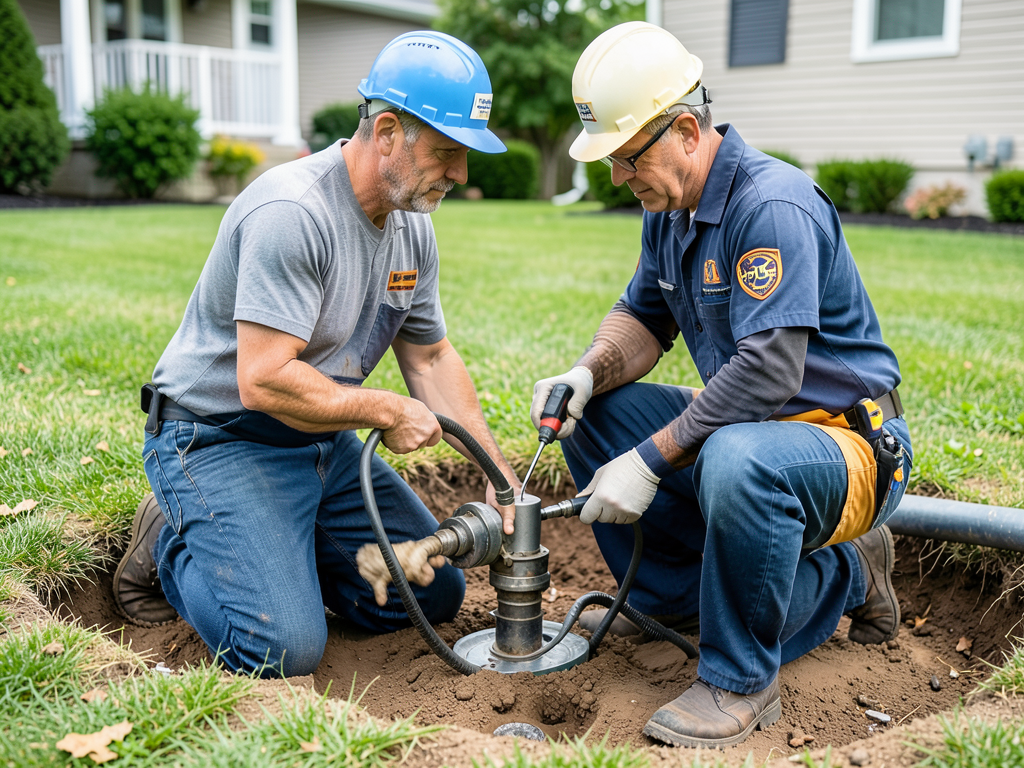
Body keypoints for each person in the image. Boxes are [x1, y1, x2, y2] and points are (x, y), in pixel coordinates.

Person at [531, 22, 912, 749]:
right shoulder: (670, 211)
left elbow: (769, 370)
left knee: (738, 459)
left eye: (626, 157)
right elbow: (641, 319)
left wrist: (651, 461)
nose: (618, 178)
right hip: (755, 432)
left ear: (684, 130)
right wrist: (584, 373)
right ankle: (674, 604)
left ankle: (762, 657)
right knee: (601, 414)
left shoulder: (770, 205)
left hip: (849, 443)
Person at [112, 30, 520, 678]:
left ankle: (281, 556)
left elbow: (430, 359)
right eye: (447, 152)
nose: (461, 173)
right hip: (220, 438)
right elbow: (264, 379)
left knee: (432, 593)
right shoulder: (293, 212)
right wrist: (386, 410)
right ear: (386, 132)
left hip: (319, 439)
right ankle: (172, 547)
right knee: (281, 649)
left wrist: (502, 481)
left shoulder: (413, 227)